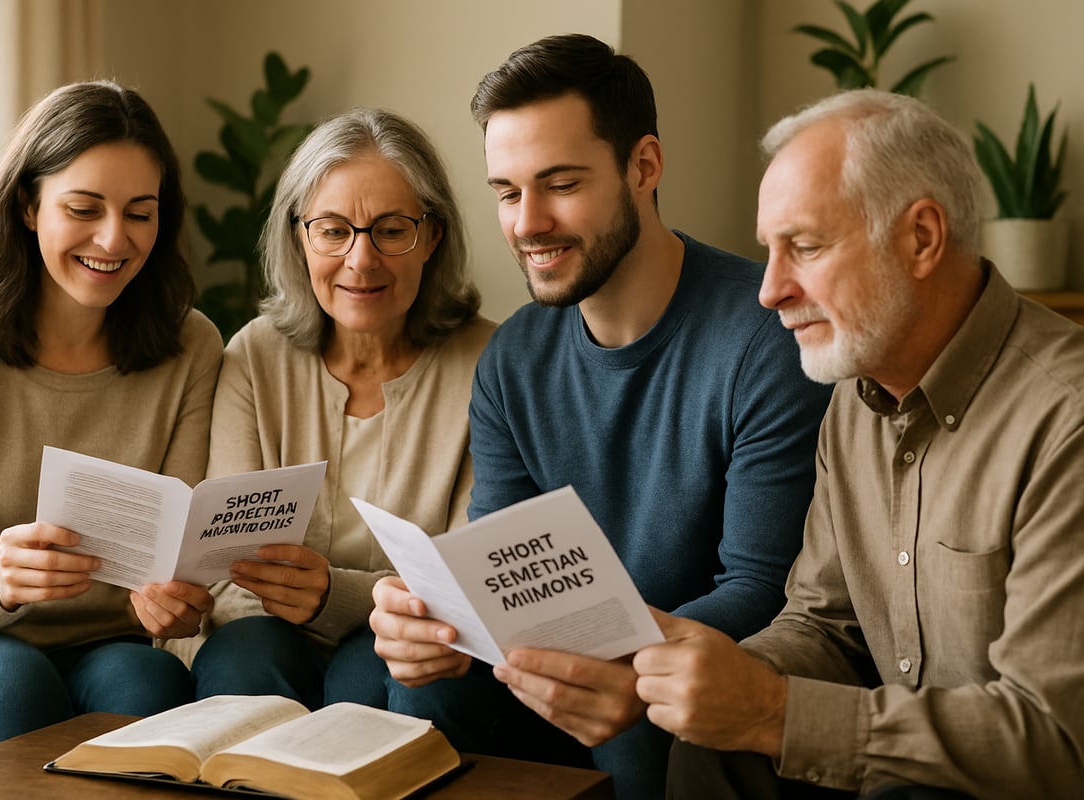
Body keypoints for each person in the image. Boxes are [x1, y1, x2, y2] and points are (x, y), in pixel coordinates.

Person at [369, 34, 832, 798]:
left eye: (560, 184)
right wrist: (431, 619)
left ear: (644, 166)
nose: (527, 222)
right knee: (423, 687)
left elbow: (761, 590)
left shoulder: (764, 337)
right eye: (508, 191)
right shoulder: (514, 357)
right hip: (561, 669)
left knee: (645, 723)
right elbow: (502, 561)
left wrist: (621, 659)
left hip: (688, 678)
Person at [633, 88, 1084, 799]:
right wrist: (719, 672)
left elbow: (1053, 740)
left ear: (921, 239)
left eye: (804, 247)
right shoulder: (854, 399)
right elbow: (824, 624)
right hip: (900, 772)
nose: (770, 290)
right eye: (769, 253)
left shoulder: (1067, 421)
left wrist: (774, 713)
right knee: (708, 746)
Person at [0, 80, 224, 763]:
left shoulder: (191, 347)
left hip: (105, 644)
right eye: (84, 207)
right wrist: (1, 581)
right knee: (13, 683)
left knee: (149, 682)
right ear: (28, 203)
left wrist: (178, 603)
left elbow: (178, 561)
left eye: (140, 213)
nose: (113, 238)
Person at [185, 108, 494, 710]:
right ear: (300, 238)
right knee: (242, 657)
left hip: (418, 639)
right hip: (265, 632)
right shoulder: (254, 355)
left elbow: (468, 581)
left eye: (391, 229)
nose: (361, 259)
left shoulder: (489, 363)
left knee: (375, 675)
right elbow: (226, 568)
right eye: (332, 230)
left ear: (432, 237)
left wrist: (339, 596)